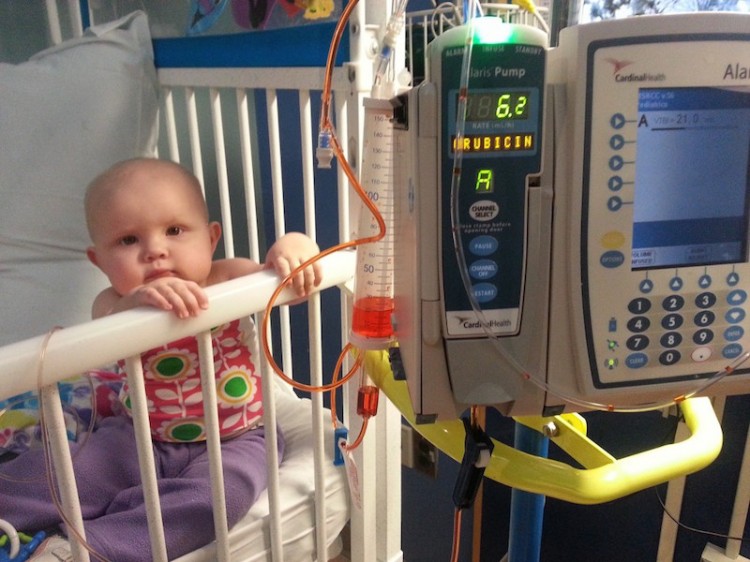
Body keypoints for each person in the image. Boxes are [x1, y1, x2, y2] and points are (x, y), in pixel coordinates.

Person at [0, 158, 322, 561]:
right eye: (128, 241)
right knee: (62, 475)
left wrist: (293, 247)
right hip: (138, 434)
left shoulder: (231, 278)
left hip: (237, 438)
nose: (155, 250)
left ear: (211, 238)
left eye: (174, 230)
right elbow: (109, 323)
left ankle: (80, 550)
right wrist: (138, 303)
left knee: (218, 500)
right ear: (98, 261)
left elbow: (288, 280)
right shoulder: (114, 303)